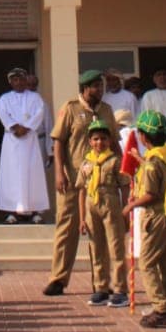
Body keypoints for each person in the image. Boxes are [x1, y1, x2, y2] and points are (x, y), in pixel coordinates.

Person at [43, 70, 118, 296]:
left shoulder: (106, 110)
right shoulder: (71, 108)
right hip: (73, 179)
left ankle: (101, 283)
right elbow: (58, 143)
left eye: (101, 86)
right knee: (67, 228)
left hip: (100, 181)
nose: (100, 90)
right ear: (85, 88)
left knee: (99, 232)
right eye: (95, 86)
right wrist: (59, 173)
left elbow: (115, 142)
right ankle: (58, 278)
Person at [124, 109, 166, 327]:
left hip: (155, 216)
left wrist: (130, 206)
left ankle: (161, 307)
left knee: (147, 262)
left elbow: (151, 194)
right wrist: (140, 159)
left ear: (144, 136)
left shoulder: (152, 164)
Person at [77, 118, 129, 306]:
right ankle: (101, 287)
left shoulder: (115, 161)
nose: (100, 143)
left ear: (110, 141)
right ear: (90, 141)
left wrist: (125, 211)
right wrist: (82, 218)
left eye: (103, 139)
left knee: (116, 246)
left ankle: (120, 288)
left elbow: (124, 186)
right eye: (96, 139)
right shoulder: (85, 163)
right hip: (92, 205)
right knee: (96, 247)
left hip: (111, 203)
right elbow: (81, 190)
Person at [0, 69, 50, 224]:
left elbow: (39, 114)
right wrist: (14, 127)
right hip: (12, 141)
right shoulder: (4, 98)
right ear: (10, 82)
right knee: (11, 175)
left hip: (30, 140)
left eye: (21, 79)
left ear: (26, 81)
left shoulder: (35, 97)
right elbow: (3, 114)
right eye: (15, 80)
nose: (18, 82)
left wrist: (26, 127)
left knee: (32, 174)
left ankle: (34, 211)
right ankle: (12, 211)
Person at [26, 73, 54, 162]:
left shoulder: (42, 104)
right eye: (28, 84)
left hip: (38, 142)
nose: (31, 87)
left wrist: (50, 151)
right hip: (23, 143)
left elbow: (49, 127)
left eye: (33, 85)